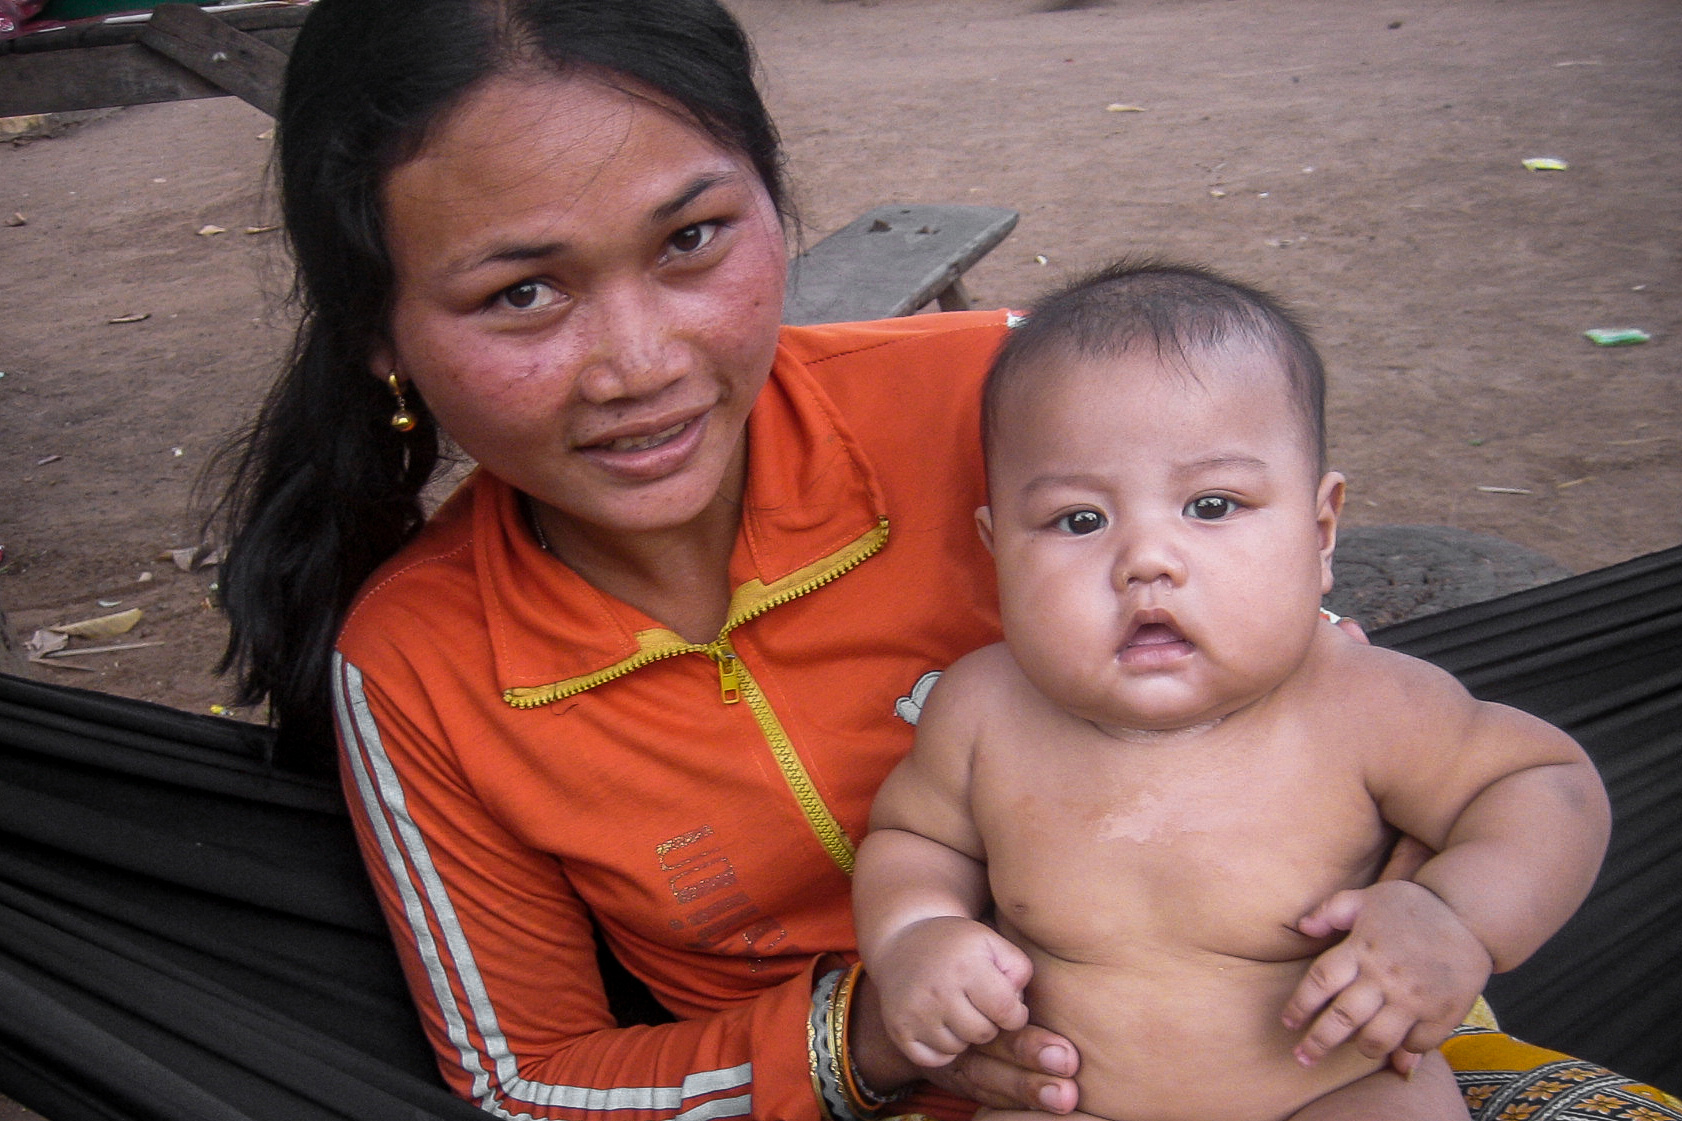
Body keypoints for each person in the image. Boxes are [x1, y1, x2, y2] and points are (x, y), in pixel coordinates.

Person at [209, 2, 1673, 1120]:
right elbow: (531, 1079)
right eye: (522, 293)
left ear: (774, 204)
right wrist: (862, 1033)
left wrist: (1423, 924)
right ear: (382, 336)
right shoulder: (426, 668)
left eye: (694, 239)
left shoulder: (1002, 404)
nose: (639, 364)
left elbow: (1320, 714)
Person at [852, 261, 1612, 1121]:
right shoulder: (982, 709)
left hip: (1332, 1091)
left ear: (1320, 531)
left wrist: (1454, 918)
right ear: (998, 551)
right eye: (1079, 520)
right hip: (1072, 1101)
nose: (1148, 559)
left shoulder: (1365, 703)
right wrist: (915, 933)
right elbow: (915, 838)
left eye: (1212, 505)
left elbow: (1547, 785)